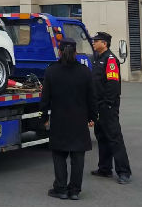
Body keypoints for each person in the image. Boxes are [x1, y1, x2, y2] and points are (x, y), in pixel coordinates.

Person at [40, 39, 97, 200]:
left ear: (59, 52)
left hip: (59, 120)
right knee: (78, 156)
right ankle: (75, 190)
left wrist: (44, 117)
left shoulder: (52, 71)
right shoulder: (85, 72)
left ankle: (61, 189)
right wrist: (92, 116)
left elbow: (45, 98)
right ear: (76, 53)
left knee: (59, 155)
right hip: (79, 120)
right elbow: (92, 97)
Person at [90, 31, 132, 184]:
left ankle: (124, 172)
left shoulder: (110, 60)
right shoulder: (97, 58)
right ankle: (105, 168)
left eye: (96, 41)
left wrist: (107, 104)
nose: (94, 43)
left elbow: (113, 85)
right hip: (97, 105)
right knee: (101, 137)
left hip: (107, 106)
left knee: (114, 138)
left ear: (104, 43)